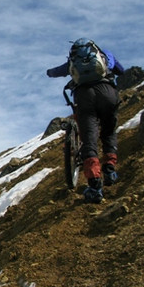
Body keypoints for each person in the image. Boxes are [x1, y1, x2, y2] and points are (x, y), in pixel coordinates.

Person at [47, 38, 125, 203]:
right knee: (109, 131)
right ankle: (110, 170)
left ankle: (95, 184)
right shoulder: (105, 55)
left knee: (89, 139)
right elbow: (121, 70)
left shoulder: (72, 62)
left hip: (84, 97)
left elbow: (56, 71)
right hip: (108, 93)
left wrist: (49, 72)